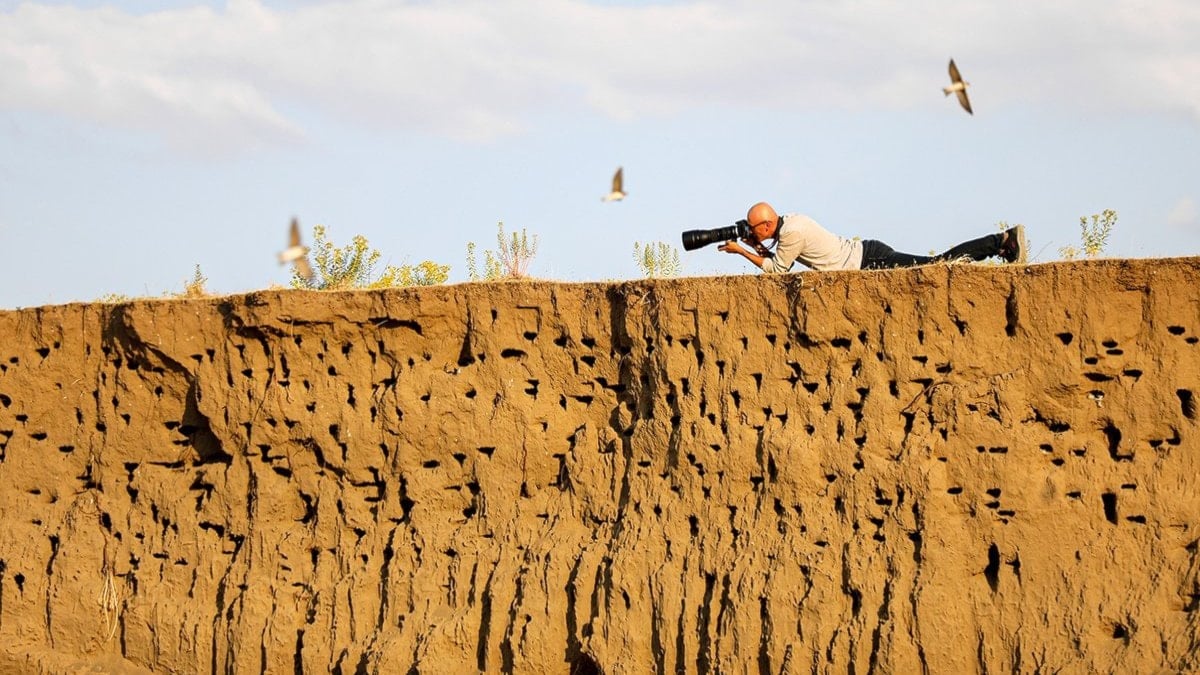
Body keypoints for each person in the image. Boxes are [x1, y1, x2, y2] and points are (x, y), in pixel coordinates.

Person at [717, 201, 1026, 272]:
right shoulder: (791, 222)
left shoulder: (792, 233)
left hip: (870, 261)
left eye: (754, 227)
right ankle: (999, 243)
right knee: (936, 263)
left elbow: (778, 269)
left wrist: (743, 252)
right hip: (867, 253)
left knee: (938, 265)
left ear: (768, 225)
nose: (751, 231)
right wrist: (758, 244)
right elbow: (782, 255)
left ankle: (1000, 242)